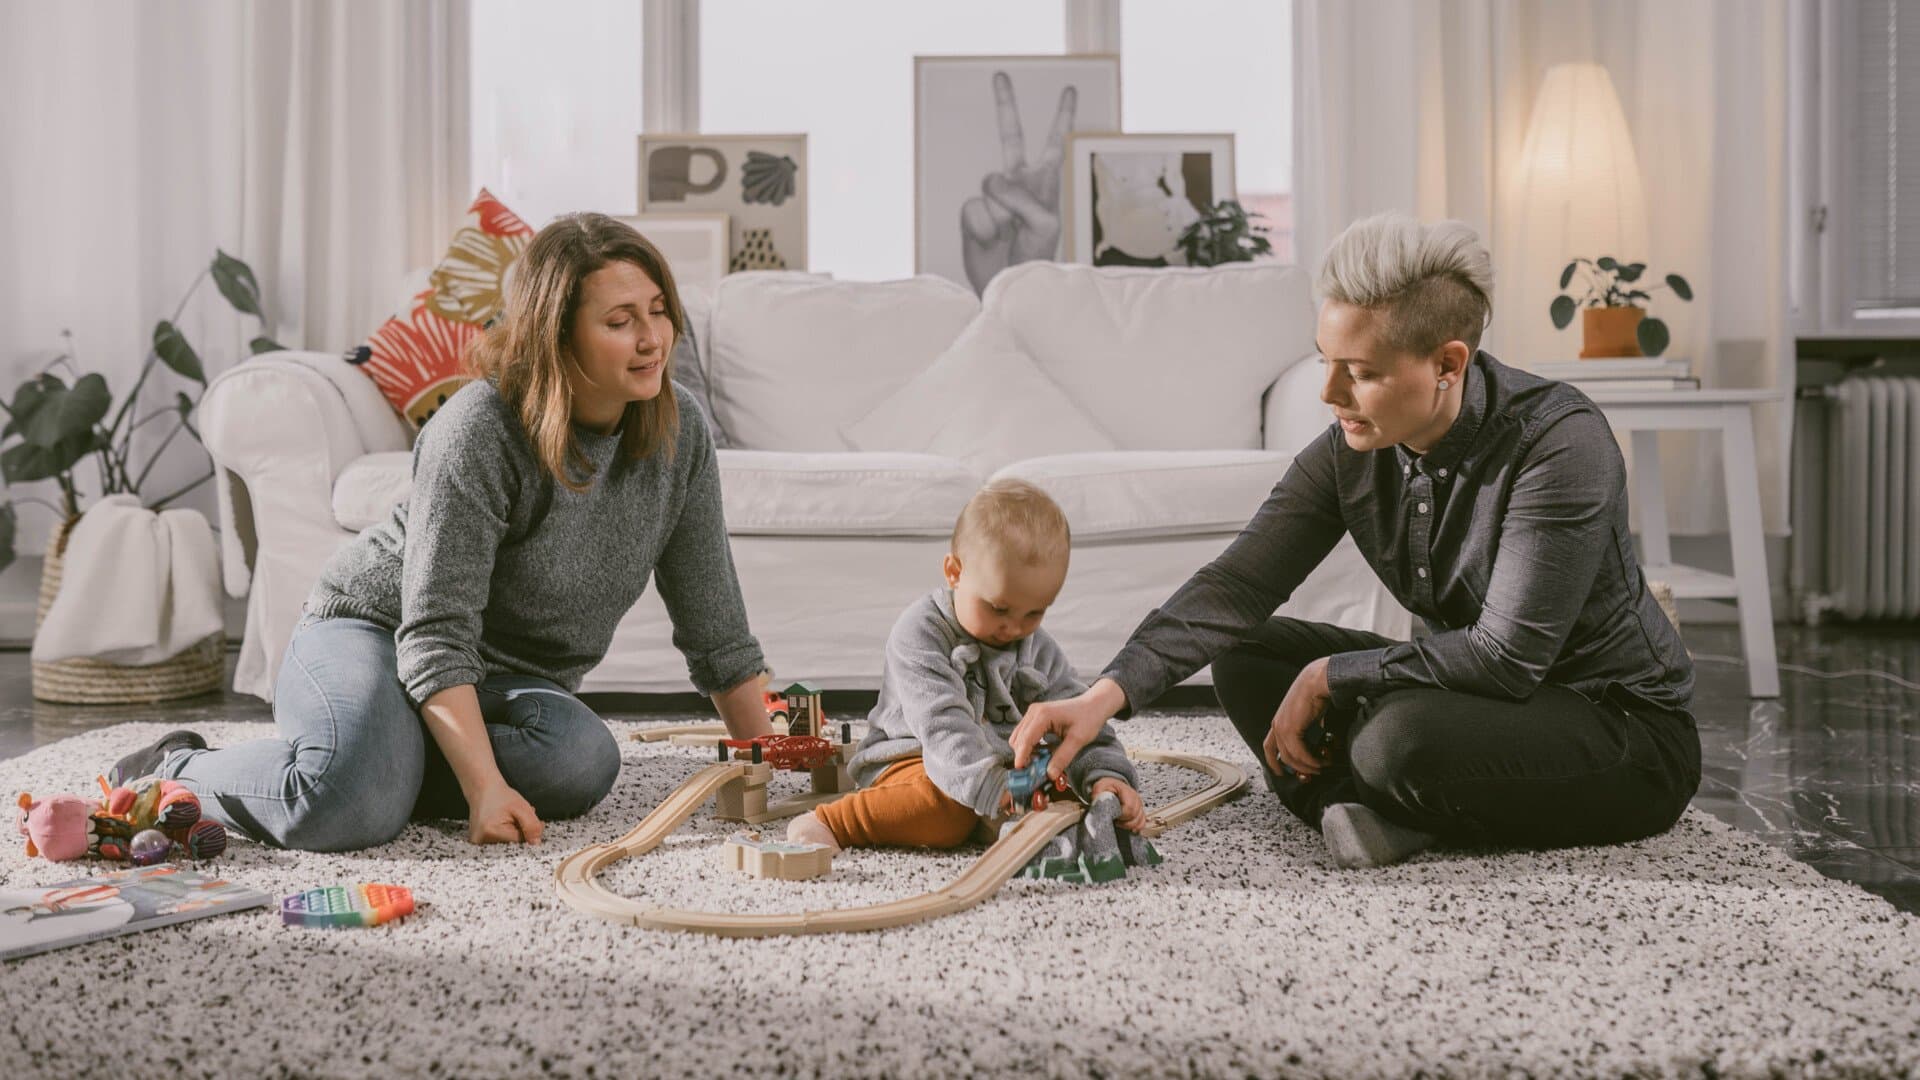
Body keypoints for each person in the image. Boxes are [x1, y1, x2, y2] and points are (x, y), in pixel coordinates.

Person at [1012, 213, 1700, 869]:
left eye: (1362, 372)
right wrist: (1099, 698)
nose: (1331, 392)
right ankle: (1370, 811)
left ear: (1448, 364)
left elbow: (1507, 659)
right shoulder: (1352, 448)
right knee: (1246, 654)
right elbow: (1237, 586)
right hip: (1471, 698)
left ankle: (1382, 794)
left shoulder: (1560, 443)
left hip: (1617, 728)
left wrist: (1329, 676)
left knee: (1395, 744)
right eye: (1326, 362)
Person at [111, 213, 773, 852]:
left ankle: (382, 759)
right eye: (619, 322)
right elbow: (435, 632)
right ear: (555, 335)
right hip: (374, 629)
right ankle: (178, 765)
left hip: (501, 680)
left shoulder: (676, 430)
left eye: (659, 310)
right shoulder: (479, 429)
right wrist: (484, 789)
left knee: (581, 761)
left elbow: (715, 627)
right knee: (344, 810)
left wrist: (770, 767)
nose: (653, 338)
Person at [788, 480, 1143, 853]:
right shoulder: (920, 633)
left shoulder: (1036, 645)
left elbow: (1077, 715)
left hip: (1000, 772)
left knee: (1063, 786)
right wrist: (993, 788)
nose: (1015, 628)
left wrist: (1106, 777)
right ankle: (834, 821)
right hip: (917, 762)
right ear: (954, 572)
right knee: (945, 812)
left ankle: (995, 817)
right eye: (999, 608)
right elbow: (943, 728)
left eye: (1035, 612)